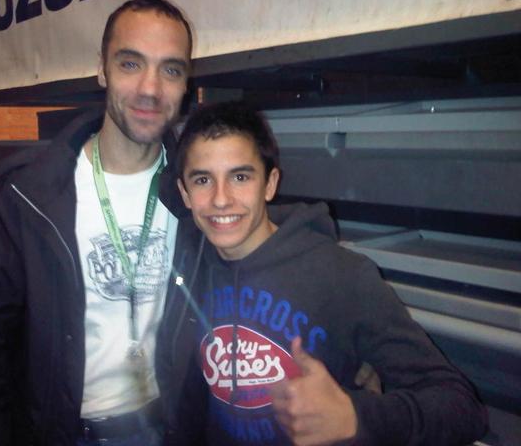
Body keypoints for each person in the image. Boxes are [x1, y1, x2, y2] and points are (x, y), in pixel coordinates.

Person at [156, 102, 488, 446]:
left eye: (240, 177)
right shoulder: (191, 265)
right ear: (185, 194)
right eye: (203, 180)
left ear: (270, 184)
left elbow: (462, 407)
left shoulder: (343, 277)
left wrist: (355, 416)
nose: (221, 199)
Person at [0, 0, 193, 446]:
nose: (151, 88)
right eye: (130, 64)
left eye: (171, 70)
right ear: (102, 69)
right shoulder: (26, 195)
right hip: (63, 434)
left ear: (185, 83)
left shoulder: (198, 192)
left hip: (168, 430)